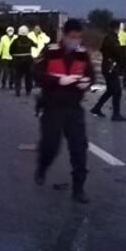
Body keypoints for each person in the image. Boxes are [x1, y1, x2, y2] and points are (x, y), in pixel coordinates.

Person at [33, 19, 95, 204]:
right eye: (72, 37)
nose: (75, 41)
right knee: (50, 145)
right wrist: (57, 80)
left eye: (78, 37)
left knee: (79, 148)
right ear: (64, 35)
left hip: (74, 108)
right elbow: (36, 74)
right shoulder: (50, 51)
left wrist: (87, 82)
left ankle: (79, 188)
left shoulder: (82, 54)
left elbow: (91, 75)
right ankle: (42, 167)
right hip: (52, 106)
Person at [90, 20, 126, 121]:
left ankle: (96, 108)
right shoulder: (111, 38)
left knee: (111, 90)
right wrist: (123, 50)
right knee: (117, 91)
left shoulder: (110, 37)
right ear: (118, 28)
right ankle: (115, 115)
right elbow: (116, 52)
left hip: (108, 67)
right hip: (111, 68)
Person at [9, 25, 36, 97]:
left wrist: (13, 56)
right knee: (28, 76)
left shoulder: (15, 41)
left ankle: (17, 90)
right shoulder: (29, 40)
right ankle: (28, 90)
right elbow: (35, 45)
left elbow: (10, 51)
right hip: (28, 60)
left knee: (17, 76)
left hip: (17, 60)